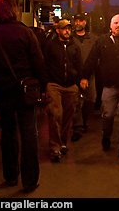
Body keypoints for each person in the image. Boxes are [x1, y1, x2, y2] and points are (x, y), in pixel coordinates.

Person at [0, 0, 46, 194]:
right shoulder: (26, 33)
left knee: (8, 132)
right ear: (15, 13)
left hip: (2, 91)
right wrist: (42, 86)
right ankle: (30, 180)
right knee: (29, 133)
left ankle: (10, 176)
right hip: (26, 91)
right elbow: (39, 62)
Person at [81, 14, 119, 161]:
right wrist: (84, 76)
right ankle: (106, 137)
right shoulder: (103, 41)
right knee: (108, 116)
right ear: (110, 25)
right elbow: (92, 59)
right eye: (115, 23)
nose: (118, 25)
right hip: (109, 87)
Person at [42, 19, 83, 162]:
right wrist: (46, 83)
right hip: (54, 84)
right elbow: (44, 63)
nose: (67, 31)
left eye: (69, 29)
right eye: (64, 29)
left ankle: (63, 142)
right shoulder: (50, 45)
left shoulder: (74, 46)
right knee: (55, 114)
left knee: (68, 116)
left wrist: (78, 82)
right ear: (58, 30)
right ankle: (55, 147)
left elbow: (79, 65)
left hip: (71, 85)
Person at [71, 13, 99, 141]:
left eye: (80, 20)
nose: (78, 23)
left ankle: (85, 121)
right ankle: (77, 126)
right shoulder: (70, 38)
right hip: (74, 75)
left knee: (90, 99)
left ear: (85, 23)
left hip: (90, 75)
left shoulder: (93, 38)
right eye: (76, 20)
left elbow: (97, 57)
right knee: (76, 101)